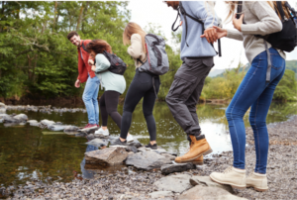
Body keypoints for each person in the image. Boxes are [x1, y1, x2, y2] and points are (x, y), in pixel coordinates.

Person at [209, 0, 288, 192]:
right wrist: (227, 32)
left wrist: (242, 26)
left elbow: (274, 24)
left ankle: (237, 170)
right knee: (257, 120)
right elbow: (256, 32)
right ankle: (259, 176)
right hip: (275, 61)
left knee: (233, 113)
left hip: (265, 60)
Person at [164, 0, 218, 164]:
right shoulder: (185, 7)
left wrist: (210, 26)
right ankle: (196, 150)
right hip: (202, 59)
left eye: (165, 0)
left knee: (174, 98)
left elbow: (210, 14)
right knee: (188, 103)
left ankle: (200, 140)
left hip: (196, 59)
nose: (166, 3)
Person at [112, 22, 160, 149]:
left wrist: (129, 49)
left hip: (142, 76)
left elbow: (136, 53)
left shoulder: (136, 36)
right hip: (155, 79)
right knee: (148, 112)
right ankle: (153, 143)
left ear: (128, 32)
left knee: (127, 108)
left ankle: (122, 140)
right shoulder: (149, 37)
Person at [86, 39, 134, 142]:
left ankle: (127, 135)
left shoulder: (99, 56)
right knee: (102, 102)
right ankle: (104, 129)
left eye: (91, 51)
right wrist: (94, 63)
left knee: (112, 110)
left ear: (95, 50)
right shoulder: (106, 55)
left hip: (113, 84)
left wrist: (95, 69)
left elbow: (106, 65)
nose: (90, 54)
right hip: (119, 83)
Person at [67, 31, 100, 131]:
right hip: (93, 74)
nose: (74, 41)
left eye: (74, 38)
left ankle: (92, 123)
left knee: (86, 97)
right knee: (93, 99)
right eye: (72, 40)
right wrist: (79, 78)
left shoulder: (86, 43)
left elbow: (95, 49)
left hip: (95, 73)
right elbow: (83, 66)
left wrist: (91, 58)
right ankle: (96, 123)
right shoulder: (79, 48)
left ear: (78, 36)